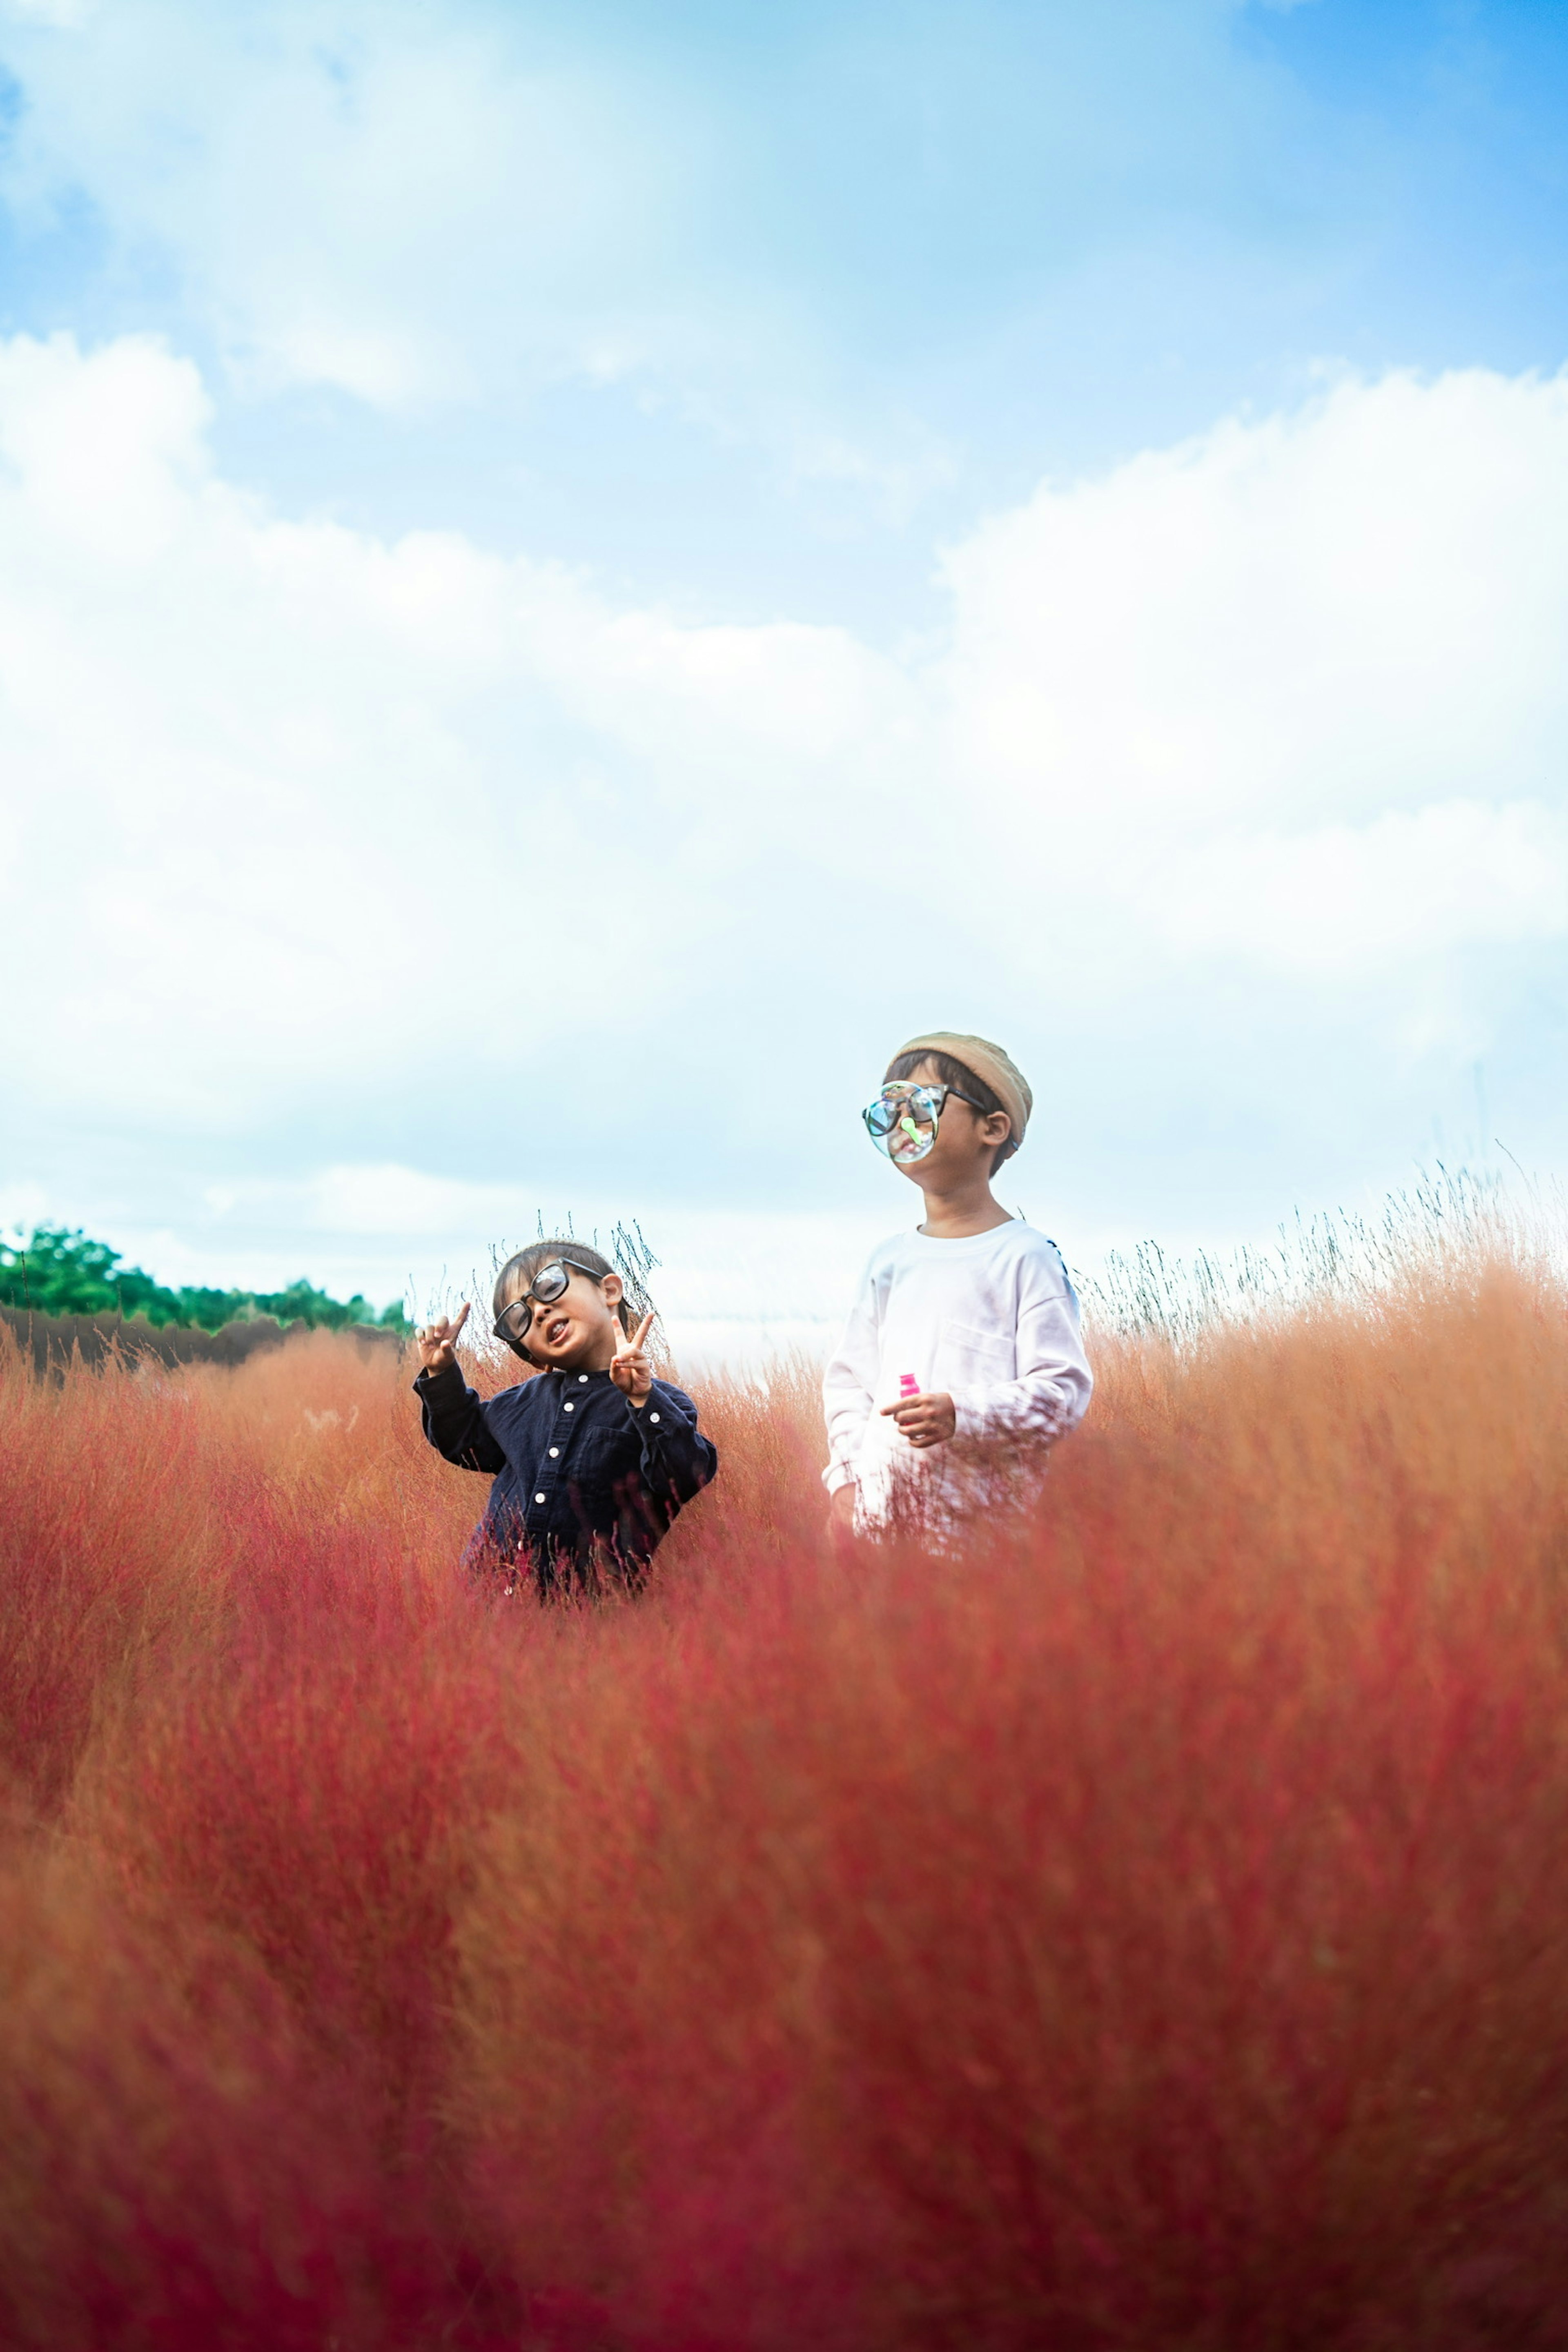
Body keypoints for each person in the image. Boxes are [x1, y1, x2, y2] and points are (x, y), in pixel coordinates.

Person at [823, 1030, 1092, 1535]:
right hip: (878, 1532)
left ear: (992, 1128)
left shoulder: (1024, 1257)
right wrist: (845, 1484)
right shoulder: (889, 1262)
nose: (905, 1122)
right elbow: (849, 1384)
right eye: (892, 1107)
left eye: (923, 1105)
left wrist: (962, 1414)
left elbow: (1061, 1393)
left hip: (979, 1542)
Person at [414, 1240, 717, 1595]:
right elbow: (463, 1441)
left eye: (549, 1286)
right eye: (520, 1318)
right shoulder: (520, 1403)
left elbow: (683, 1476)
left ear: (609, 1290)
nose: (539, 1312)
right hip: (490, 1599)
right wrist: (442, 1374)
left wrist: (643, 1399)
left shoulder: (659, 1403)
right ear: (533, 1357)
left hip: (590, 1612)